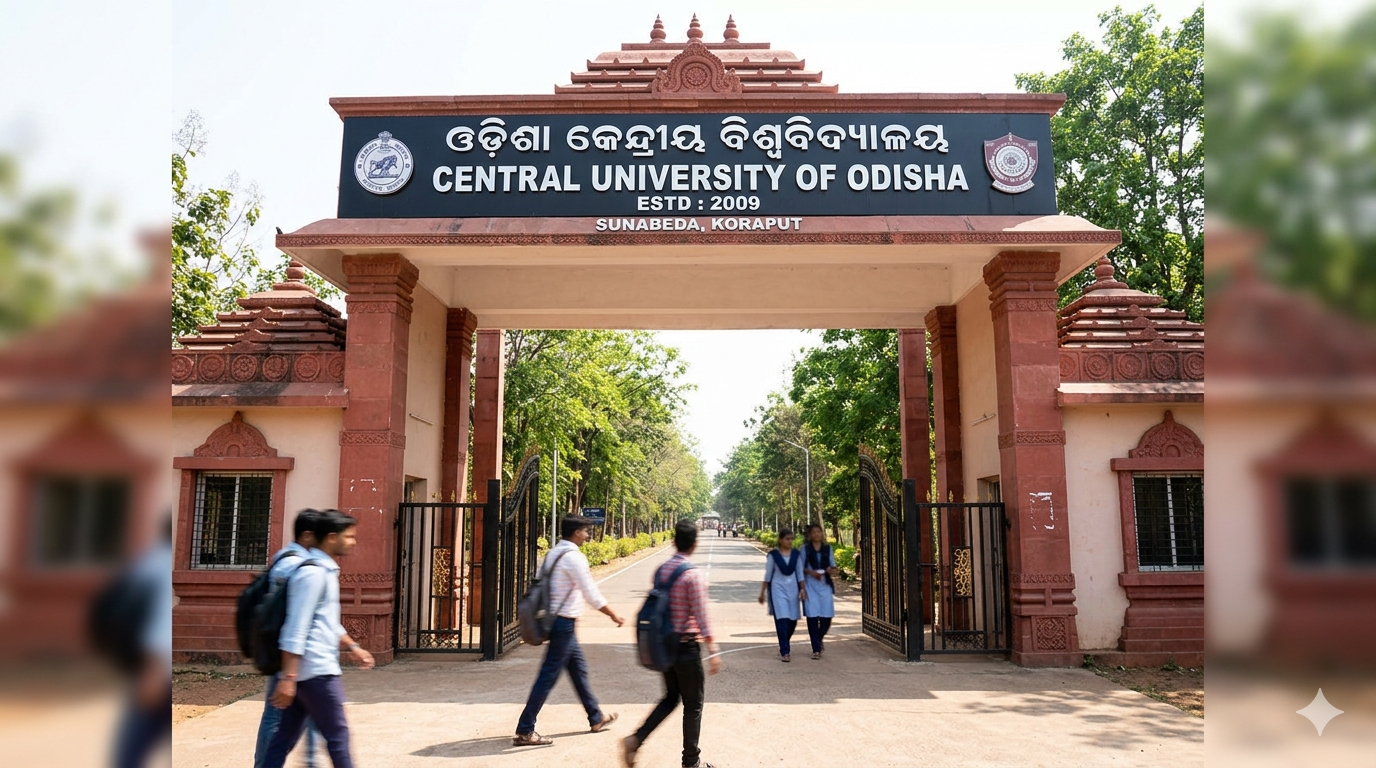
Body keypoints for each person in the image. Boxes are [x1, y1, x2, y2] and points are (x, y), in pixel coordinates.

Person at [261, 510, 376, 768]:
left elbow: (327, 622)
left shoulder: (324, 571)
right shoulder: (312, 574)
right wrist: (288, 678)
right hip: (316, 671)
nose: (353, 542)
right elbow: (296, 627)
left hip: (307, 672)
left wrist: (352, 647)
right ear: (332, 537)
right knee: (338, 736)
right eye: (349, 537)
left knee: (283, 738)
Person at [513, 515, 626, 746]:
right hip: (563, 623)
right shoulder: (574, 557)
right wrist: (612, 613)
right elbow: (591, 593)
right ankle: (525, 729)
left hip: (555, 621)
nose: (587, 535)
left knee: (578, 670)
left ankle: (595, 717)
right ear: (576, 532)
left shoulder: (553, 554)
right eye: (585, 531)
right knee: (548, 676)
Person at [623, 519, 721, 768]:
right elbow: (701, 615)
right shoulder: (692, 575)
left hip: (664, 643)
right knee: (694, 704)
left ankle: (636, 739)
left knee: (670, 697)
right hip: (686, 646)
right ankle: (691, 762)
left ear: (674, 541)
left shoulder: (662, 570)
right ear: (695, 544)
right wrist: (712, 647)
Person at [254, 509, 324, 768]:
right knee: (277, 716)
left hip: (299, 653)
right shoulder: (293, 565)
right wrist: (290, 674)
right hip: (288, 653)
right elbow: (297, 618)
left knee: (313, 713)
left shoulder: (285, 558)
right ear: (307, 535)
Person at [112, 517, 173, 768]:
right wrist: (153, 672)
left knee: (134, 747)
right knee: (135, 747)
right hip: (156, 671)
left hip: (143, 664)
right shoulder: (161, 564)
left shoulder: (147, 562)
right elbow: (160, 621)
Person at [757, 528, 806, 662]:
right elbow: (768, 575)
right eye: (787, 539)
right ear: (780, 540)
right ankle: (785, 651)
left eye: (791, 539)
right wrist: (762, 593)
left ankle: (785, 641)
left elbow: (800, 574)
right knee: (782, 619)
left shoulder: (796, 555)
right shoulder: (773, 556)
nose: (789, 541)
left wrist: (803, 589)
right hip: (777, 590)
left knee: (792, 621)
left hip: (793, 590)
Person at [801, 523, 839, 660]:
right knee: (812, 617)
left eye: (819, 532)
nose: (817, 534)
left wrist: (831, 570)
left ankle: (819, 638)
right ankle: (816, 649)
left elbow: (834, 567)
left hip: (825, 586)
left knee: (826, 617)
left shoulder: (827, 549)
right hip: (810, 586)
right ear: (810, 535)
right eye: (814, 532)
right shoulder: (805, 549)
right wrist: (811, 572)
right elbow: (800, 567)